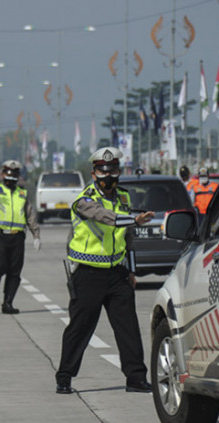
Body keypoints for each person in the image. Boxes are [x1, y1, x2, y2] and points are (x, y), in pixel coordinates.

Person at [55, 147, 155, 395]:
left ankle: (136, 377)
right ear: (94, 173)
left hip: (116, 274)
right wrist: (134, 220)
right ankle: (64, 376)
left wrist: (131, 270)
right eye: (103, 171)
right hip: (88, 274)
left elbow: (128, 237)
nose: (108, 176)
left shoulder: (123, 197)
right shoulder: (84, 200)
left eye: (113, 171)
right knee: (80, 328)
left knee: (128, 327)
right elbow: (103, 217)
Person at [0, 151, 41, 315]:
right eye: (8, 173)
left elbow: (30, 214)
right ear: (3, 174)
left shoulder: (22, 193)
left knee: (15, 270)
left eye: (15, 173)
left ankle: (8, 303)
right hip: (0, 235)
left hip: (18, 236)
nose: (11, 176)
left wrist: (36, 234)